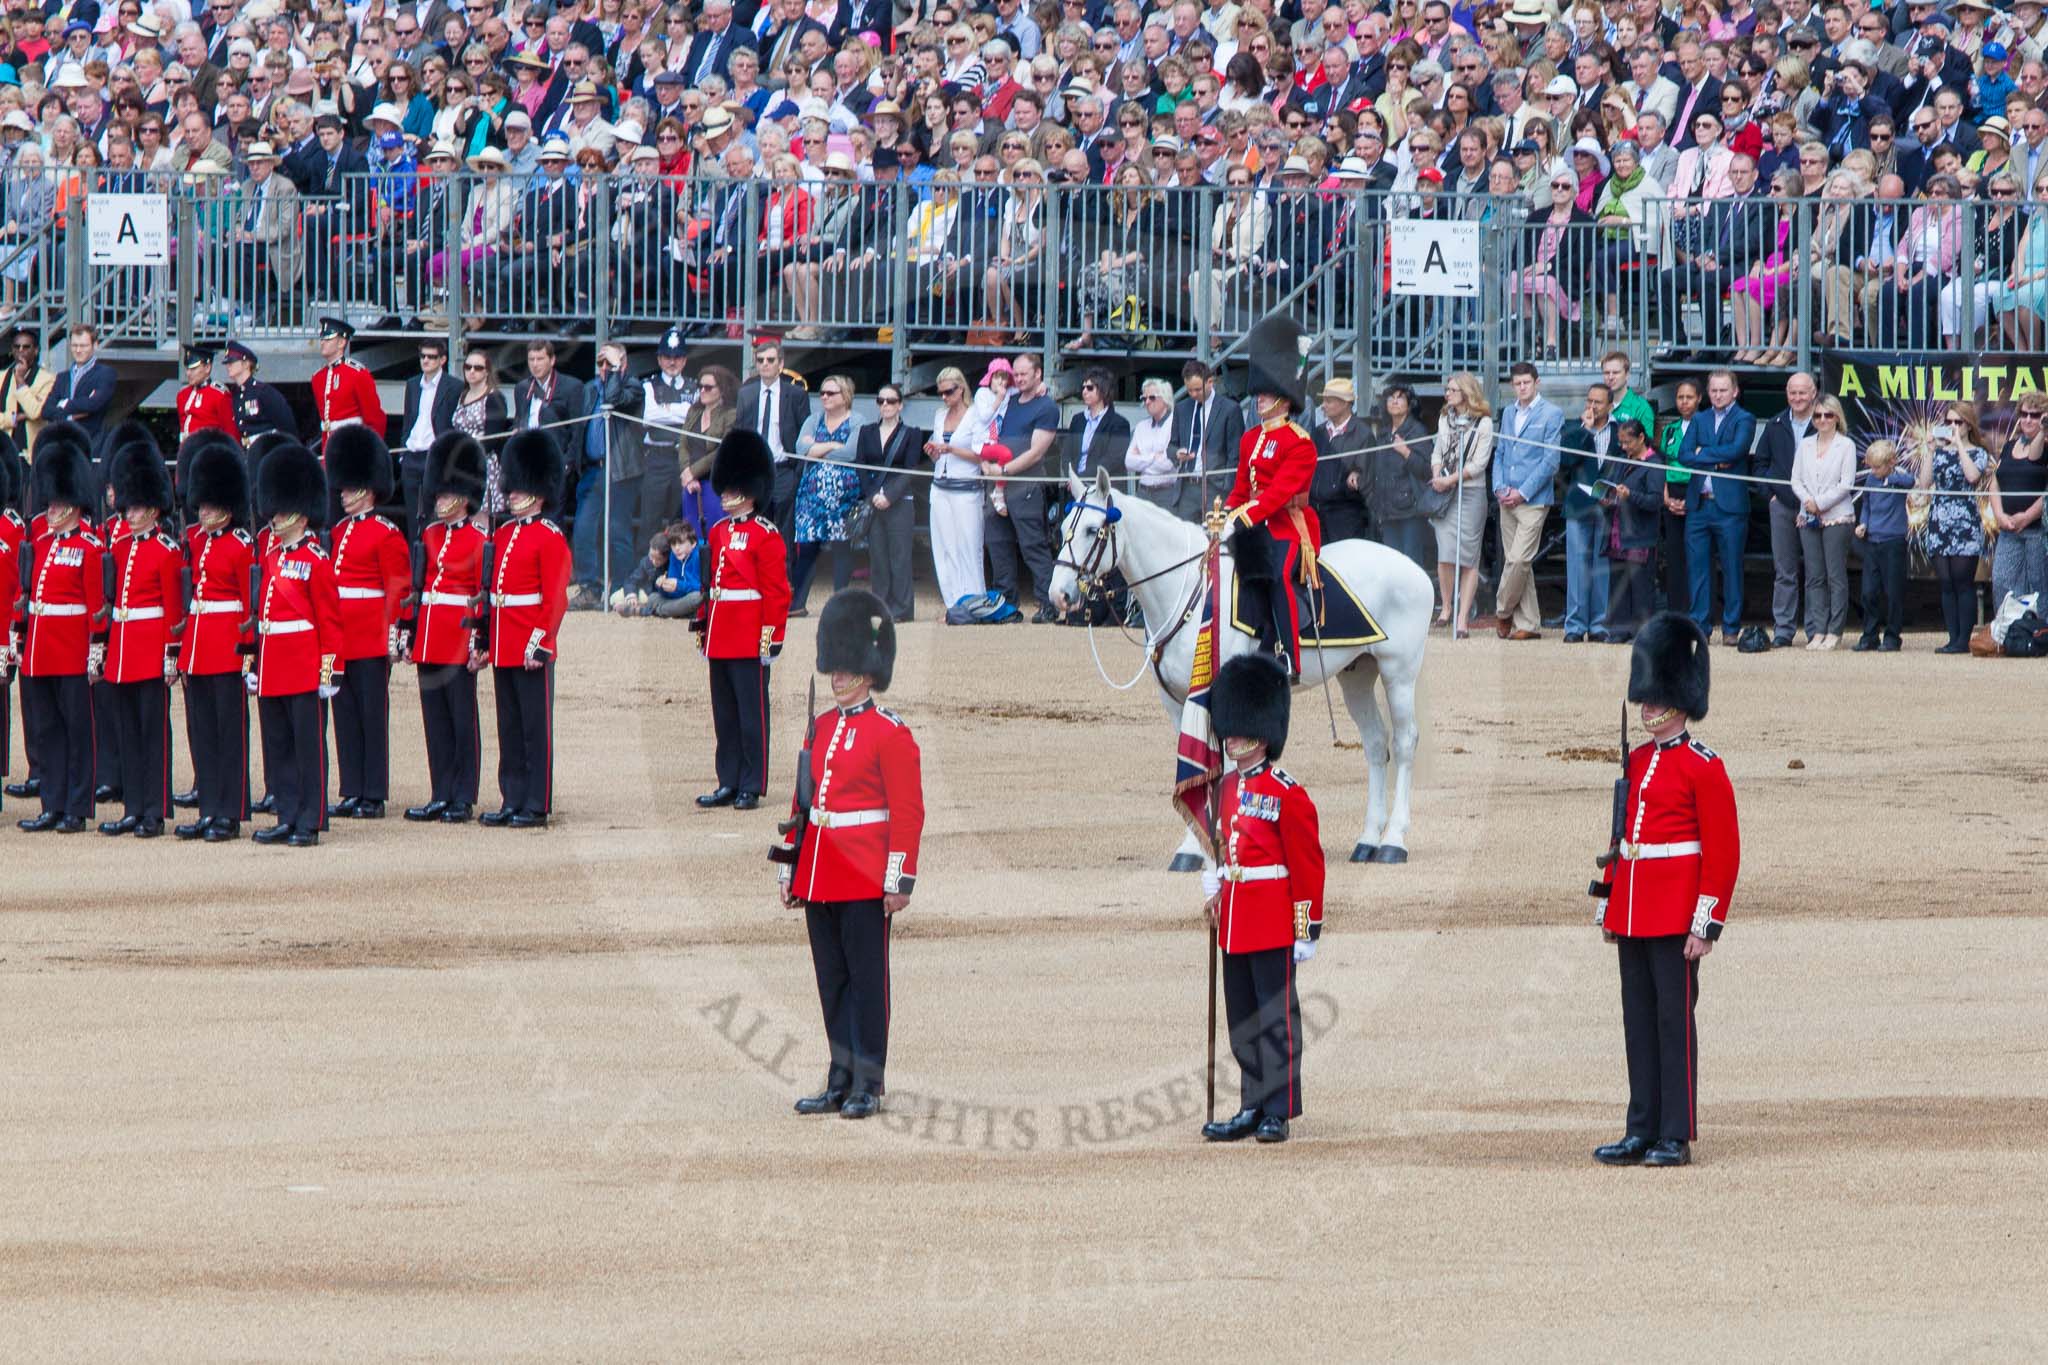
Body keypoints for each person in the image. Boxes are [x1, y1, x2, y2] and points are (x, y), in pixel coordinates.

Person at [1593, 612, 1740, 1170]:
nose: (1647, 708)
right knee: (1637, 1021)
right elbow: (1622, 838)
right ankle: (1641, 1127)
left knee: (1673, 1023)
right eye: (1645, 700)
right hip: (1633, 909)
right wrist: (1610, 902)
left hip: (1676, 912)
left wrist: (1705, 924)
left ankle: (1675, 1132)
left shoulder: (1704, 768)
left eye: (1656, 700)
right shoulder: (1638, 761)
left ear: (1681, 700)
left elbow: (1721, 854)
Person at [776, 588, 925, 1121]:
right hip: (820, 871)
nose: (836, 678)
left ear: (868, 671)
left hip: (863, 873)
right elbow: (804, 801)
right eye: (833, 669)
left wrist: (897, 879)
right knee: (832, 981)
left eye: (845, 669)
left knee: (867, 982)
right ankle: (839, 1077)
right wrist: (792, 869)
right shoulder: (821, 728)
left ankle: (868, 1079)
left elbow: (907, 813)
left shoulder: (890, 733)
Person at [1198, 652, 1324, 1146]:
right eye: (1229, 728)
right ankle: (1250, 1102)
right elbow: (1224, 844)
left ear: (1262, 732)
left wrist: (1305, 928)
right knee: (1244, 1017)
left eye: (1240, 728)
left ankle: (1278, 1108)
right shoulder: (1226, 787)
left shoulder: (1287, 793)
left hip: (1272, 917)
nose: (1230, 738)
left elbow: (1308, 864)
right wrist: (1216, 888)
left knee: (1275, 1018)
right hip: (1236, 917)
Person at [251, 442, 343, 848]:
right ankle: (287, 814)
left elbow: (330, 622)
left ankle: (311, 817)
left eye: (282, 511)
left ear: (301, 515)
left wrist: (328, 672)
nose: (275, 518)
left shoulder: (317, 559)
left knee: (307, 748)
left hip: (304, 665)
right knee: (279, 747)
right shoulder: (271, 557)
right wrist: (255, 665)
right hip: (273, 664)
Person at [696, 429, 791, 812]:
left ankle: (752, 783)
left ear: (749, 490)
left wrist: (770, 638)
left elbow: (777, 593)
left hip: (749, 634)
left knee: (752, 715)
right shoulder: (718, 532)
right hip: (721, 632)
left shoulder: (766, 535)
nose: (725, 495)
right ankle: (728, 780)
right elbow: (711, 587)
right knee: (726, 715)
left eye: (733, 488)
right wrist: (705, 628)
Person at [483, 430, 572, 827]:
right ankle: (512, 797)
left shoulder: (550, 537)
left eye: (519, 489)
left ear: (538, 491)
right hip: (504, 642)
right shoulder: (502, 534)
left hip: (528, 643)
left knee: (536, 729)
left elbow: (554, 600)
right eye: (511, 488)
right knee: (510, 727)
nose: (512, 495)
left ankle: (537, 802)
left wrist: (540, 643)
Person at [1225, 314, 1321, 678]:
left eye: (1265, 393)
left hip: (1285, 525)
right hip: (1251, 522)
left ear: (1283, 398)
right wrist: (1227, 514)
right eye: (1259, 392)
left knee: (1277, 574)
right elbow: (1239, 488)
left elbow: (1281, 493)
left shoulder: (1299, 442)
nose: (1259, 398)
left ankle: (1287, 654)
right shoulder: (1251, 438)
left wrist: (1247, 515)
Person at [17, 432, 104, 832]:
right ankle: (51, 802)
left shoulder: (89, 546)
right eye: (49, 503)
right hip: (40, 649)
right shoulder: (39, 539)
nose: (50, 509)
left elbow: (95, 607)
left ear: (73, 504)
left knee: (76, 731)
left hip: (71, 649)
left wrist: (95, 652)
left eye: (57, 503)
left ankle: (77, 805)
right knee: (48, 729)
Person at [99, 433, 184, 838]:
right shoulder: (119, 549)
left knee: (153, 733)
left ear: (153, 508)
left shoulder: (168, 551)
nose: (128, 515)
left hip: (150, 649)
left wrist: (172, 654)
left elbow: (173, 610)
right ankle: (134, 806)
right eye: (126, 508)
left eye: (135, 509)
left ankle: (155, 809)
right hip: (123, 649)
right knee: (128, 733)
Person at [323, 427, 410, 821]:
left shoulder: (386, 533)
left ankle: (373, 793)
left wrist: (395, 632)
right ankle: (352, 788)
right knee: (344, 714)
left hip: (372, 636)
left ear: (369, 490)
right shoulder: (339, 531)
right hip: (342, 637)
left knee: (372, 715)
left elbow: (397, 589)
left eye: (350, 488)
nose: (343, 494)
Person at [405, 431, 490, 824]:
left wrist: (479, 642)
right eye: (437, 495)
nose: (439, 502)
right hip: (430, 636)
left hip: (458, 636)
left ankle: (463, 795)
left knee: (461, 720)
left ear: (463, 497)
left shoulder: (477, 540)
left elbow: (480, 597)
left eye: (445, 495)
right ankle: (440, 791)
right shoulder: (429, 535)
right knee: (435, 721)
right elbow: (419, 589)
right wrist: (409, 634)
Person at [176, 435, 256, 842]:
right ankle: (209, 806)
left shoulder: (243, 547)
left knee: (230, 733)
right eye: (201, 504)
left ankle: (231, 810)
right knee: (201, 732)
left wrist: (248, 660)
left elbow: (249, 609)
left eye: (210, 504)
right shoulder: (194, 541)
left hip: (228, 648)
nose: (203, 510)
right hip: (198, 646)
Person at [1676, 370, 1756, 645]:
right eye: (1714, 391)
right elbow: (1684, 455)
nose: (1718, 395)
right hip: (1699, 504)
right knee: (1697, 568)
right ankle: (1700, 625)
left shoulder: (1745, 418)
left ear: (1735, 392)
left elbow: (1737, 450)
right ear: (1707, 393)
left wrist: (1703, 454)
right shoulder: (1698, 418)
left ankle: (1731, 627)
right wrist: (1713, 458)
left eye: (1723, 390)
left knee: (1732, 567)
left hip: (1729, 508)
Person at [984, 351, 1062, 621]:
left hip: (1025, 484)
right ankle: (1005, 603)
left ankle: (1047, 603)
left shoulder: (1047, 407)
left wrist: (1003, 470)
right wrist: (990, 468)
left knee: (1033, 546)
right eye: (1015, 374)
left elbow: (1036, 452)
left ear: (1038, 373)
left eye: (1023, 374)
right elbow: (986, 426)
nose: (1017, 379)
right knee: (997, 543)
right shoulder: (1009, 401)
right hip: (997, 483)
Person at [1492, 361, 1563, 641]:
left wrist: (1523, 492)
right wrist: (1499, 487)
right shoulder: (1508, 412)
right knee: (1517, 563)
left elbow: (1550, 461)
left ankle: (1502, 610)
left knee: (1520, 560)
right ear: (1512, 385)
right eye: (1517, 383)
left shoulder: (1552, 413)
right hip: (1505, 496)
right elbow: (1500, 453)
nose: (1522, 387)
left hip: (1533, 499)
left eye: (1526, 383)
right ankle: (1529, 623)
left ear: (1537, 383)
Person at [1922, 402, 1993, 655]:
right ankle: (1952, 638)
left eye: (1958, 422)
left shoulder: (1978, 452)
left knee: (1963, 581)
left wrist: (1959, 445)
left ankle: (1964, 639)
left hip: (1965, 521)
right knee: (1946, 582)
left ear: (1968, 424)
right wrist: (1931, 450)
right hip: (1940, 519)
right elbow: (1924, 482)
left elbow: (1973, 476)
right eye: (1949, 422)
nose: (1952, 427)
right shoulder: (1940, 452)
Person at [1789, 395, 1858, 650]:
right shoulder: (1805, 444)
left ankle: (1834, 629)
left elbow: (1846, 483)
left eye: (1827, 415)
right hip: (1808, 516)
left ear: (1837, 417)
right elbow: (1795, 479)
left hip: (1837, 516)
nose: (1822, 420)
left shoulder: (1846, 445)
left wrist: (1821, 503)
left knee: (1835, 575)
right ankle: (1817, 628)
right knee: (1814, 576)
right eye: (1817, 416)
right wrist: (1809, 502)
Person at [1429, 373, 1495, 638]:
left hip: (1470, 492)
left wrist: (1451, 479)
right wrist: (1437, 475)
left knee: (1468, 557)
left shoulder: (1484, 422)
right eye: (1447, 389)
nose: (1447, 394)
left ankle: (1462, 618)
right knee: (1445, 554)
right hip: (1444, 493)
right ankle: (1446, 606)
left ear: (1467, 393)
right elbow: (1437, 450)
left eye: (1453, 390)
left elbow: (1479, 464)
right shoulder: (1445, 419)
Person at [923, 365, 992, 610]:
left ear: (961, 388)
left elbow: (982, 454)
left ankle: (974, 603)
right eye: (941, 392)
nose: (945, 397)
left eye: (949, 392)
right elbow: (939, 453)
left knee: (969, 548)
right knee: (944, 548)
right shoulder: (940, 415)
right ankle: (953, 604)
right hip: (940, 485)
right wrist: (934, 451)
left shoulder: (976, 414)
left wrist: (951, 449)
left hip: (967, 489)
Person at [857, 383, 921, 624]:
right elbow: (860, 466)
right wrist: (874, 495)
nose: (885, 405)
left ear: (900, 405)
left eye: (891, 401)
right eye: (881, 400)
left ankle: (903, 609)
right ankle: (880, 606)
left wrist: (889, 496)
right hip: (874, 500)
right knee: (878, 557)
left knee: (900, 557)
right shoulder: (867, 431)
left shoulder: (912, 433)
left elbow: (910, 469)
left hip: (900, 501)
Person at [1559, 382, 1617, 643]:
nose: (1592, 406)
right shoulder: (1575, 428)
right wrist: (1586, 430)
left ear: (1610, 405)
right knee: (1577, 566)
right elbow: (1566, 461)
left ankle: (1599, 625)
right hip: (1579, 506)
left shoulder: (1620, 430)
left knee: (1602, 567)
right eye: (1589, 401)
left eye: (1598, 402)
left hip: (1608, 507)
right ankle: (1574, 625)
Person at [733, 338, 811, 533]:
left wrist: (797, 474)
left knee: (785, 529)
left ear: (781, 364)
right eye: (760, 360)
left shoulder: (796, 394)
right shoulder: (746, 394)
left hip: (785, 470)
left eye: (770, 360)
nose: (765, 364)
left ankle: (786, 565)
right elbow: (740, 433)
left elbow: (805, 433)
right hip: (757, 471)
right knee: (757, 527)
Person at [1361, 380, 1435, 577]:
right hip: (1386, 509)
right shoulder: (1384, 433)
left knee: (1411, 565)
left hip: (1411, 510)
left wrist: (1406, 452)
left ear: (1409, 404)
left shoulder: (1418, 431)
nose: (1394, 401)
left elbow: (1427, 470)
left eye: (1400, 398)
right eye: (1391, 398)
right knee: (1392, 565)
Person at [1603, 419, 1665, 644]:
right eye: (1621, 442)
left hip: (1641, 534)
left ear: (1641, 438)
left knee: (1641, 586)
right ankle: (1619, 629)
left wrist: (1631, 495)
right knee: (1619, 583)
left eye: (1628, 442)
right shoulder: (1623, 460)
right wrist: (1607, 496)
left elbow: (1655, 501)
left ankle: (1642, 633)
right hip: (1619, 531)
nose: (1624, 446)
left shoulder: (1654, 463)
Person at [1852, 440, 1914, 653]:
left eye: (1878, 467)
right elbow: (1867, 504)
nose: (1874, 471)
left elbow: (1911, 482)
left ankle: (1893, 636)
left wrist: (1891, 476)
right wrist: (1863, 523)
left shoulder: (1898, 478)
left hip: (1893, 542)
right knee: (1868, 591)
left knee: (1893, 591)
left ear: (1891, 463)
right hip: (1873, 541)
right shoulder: (1871, 478)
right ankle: (1869, 634)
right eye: (1872, 466)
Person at [1170, 358, 1246, 522]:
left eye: (1197, 389)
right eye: (1189, 390)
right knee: (1186, 541)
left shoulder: (1230, 409)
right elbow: (1171, 446)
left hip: (1216, 488)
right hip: (1187, 488)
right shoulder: (1181, 408)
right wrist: (1177, 453)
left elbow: (1236, 454)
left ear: (1210, 382)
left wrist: (1228, 490)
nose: (1193, 394)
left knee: (1216, 540)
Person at [1991, 393, 2048, 607]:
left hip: (2037, 530)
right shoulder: (2009, 445)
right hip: (2009, 529)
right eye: (2023, 414)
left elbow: (2036, 461)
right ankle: (2010, 637)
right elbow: (1994, 482)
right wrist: (1999, 514)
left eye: (2035, 415)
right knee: (2001, 582)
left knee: (2039, 589)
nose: (2028, 419)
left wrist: (2026, 516)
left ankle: (2040, 638)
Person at [397, 336, 460, 526]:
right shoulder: (413, 384)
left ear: (442, 360)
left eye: (431, 357)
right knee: (412, 516)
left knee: (434, 515)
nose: (425, 360)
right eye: (423, 356)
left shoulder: (454, 386)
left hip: (434, 456)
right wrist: (403, 453)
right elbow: (408, 420)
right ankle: (415, 555)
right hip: (411, 456)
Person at [679, 363, 739, 539]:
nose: (702, 391)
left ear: (722, 389)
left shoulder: (731, 414)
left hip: (715, 485)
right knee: (691, 536)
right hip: (690, 485)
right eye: (700, 387)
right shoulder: (694, 410)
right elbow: (683, 442)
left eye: (708, 387)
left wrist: (693, 471)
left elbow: (724, 449)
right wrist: (686, 473)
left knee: (716, 534)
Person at [1310, 377, 1371, 546]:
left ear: (1345, 403)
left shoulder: (1363, 433)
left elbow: (1368, 474)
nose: (1323, 405)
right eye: (1324, 401)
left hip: (1346, 516)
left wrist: (1356, 475)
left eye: (1329, 401)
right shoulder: (1318, 432)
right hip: (1317, 512)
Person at [222, 341, 296, 453]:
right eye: (227, 363)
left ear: (246, 364)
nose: (228, 366)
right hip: (249, 453)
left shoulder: (263, 392)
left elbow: (287, 425)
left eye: (232, 362)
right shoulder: (236, 395)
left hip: (268, 451)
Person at [46, 325, 115, 441]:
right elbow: (46, 410)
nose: (78, 350)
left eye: (83, 346)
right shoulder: (62, 377)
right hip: (62, 441)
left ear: (95, 345)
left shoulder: (105, 373)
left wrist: (64, 404)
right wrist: (72, 415)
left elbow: (93, 404)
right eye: (74, 345)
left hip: (91, 442)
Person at [0, 327, 54, 457]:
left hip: (30, 454)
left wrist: (20, 381)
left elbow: (35, 412)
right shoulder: (1, 377)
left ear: (35, 350)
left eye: (26, 347)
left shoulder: (48, 379)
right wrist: (14, 418)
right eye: (17, 347)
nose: (20, 351)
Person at [175, 345, 239, 444]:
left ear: (207, 367)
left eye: (193, 369)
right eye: (187, 369)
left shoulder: (219, 395)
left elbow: (231, 434)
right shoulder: (183, 395)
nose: (188, 373)